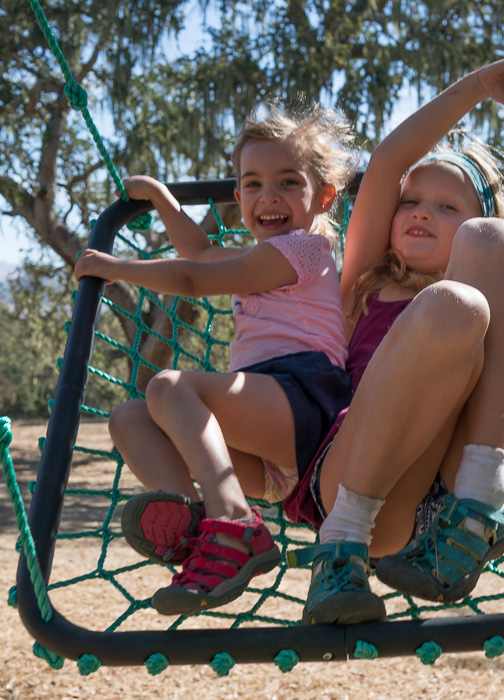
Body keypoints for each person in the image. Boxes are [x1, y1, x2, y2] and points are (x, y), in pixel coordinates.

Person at [279, 57, 504, 625]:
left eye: (448, 207)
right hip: (370, 488)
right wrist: (478, 87)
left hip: (458, 494)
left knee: (488, 260)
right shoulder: (360, 288)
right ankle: (338, 547)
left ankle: (479, 507)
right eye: (412, 201)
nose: (422, 211)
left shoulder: (494, 295)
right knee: (453, 307)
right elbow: (385, 165)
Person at [74, 102, 359, 615]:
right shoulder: (259, 255)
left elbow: (190, 278)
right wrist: (163, 199)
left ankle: (232, 524)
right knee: (129, 418)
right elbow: (200, 254)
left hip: (310, 405)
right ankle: (203, 530)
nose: (268, 196)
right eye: (252, 184)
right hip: (267, 439)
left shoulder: (306, 249)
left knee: (166, 387)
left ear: (325, 197)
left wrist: (117, 266)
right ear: (238, 196)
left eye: (288, 182)